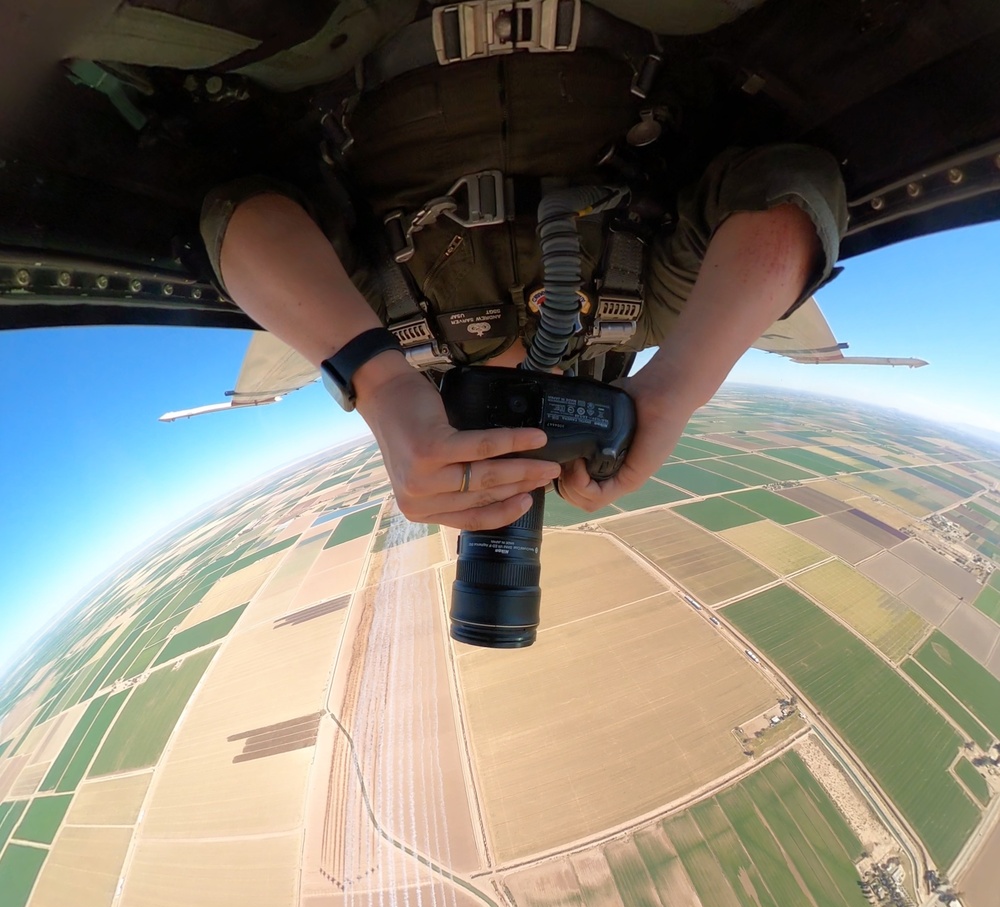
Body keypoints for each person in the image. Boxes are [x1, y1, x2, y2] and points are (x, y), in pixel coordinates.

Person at [192, 3, 847, 530]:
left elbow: (240, 216)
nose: (511, 435)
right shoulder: (647, 312)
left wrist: (383, 385)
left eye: (482, 457)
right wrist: (678, 388)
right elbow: (789, 191)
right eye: (530, 450)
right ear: (579, 419)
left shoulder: (386, 333)